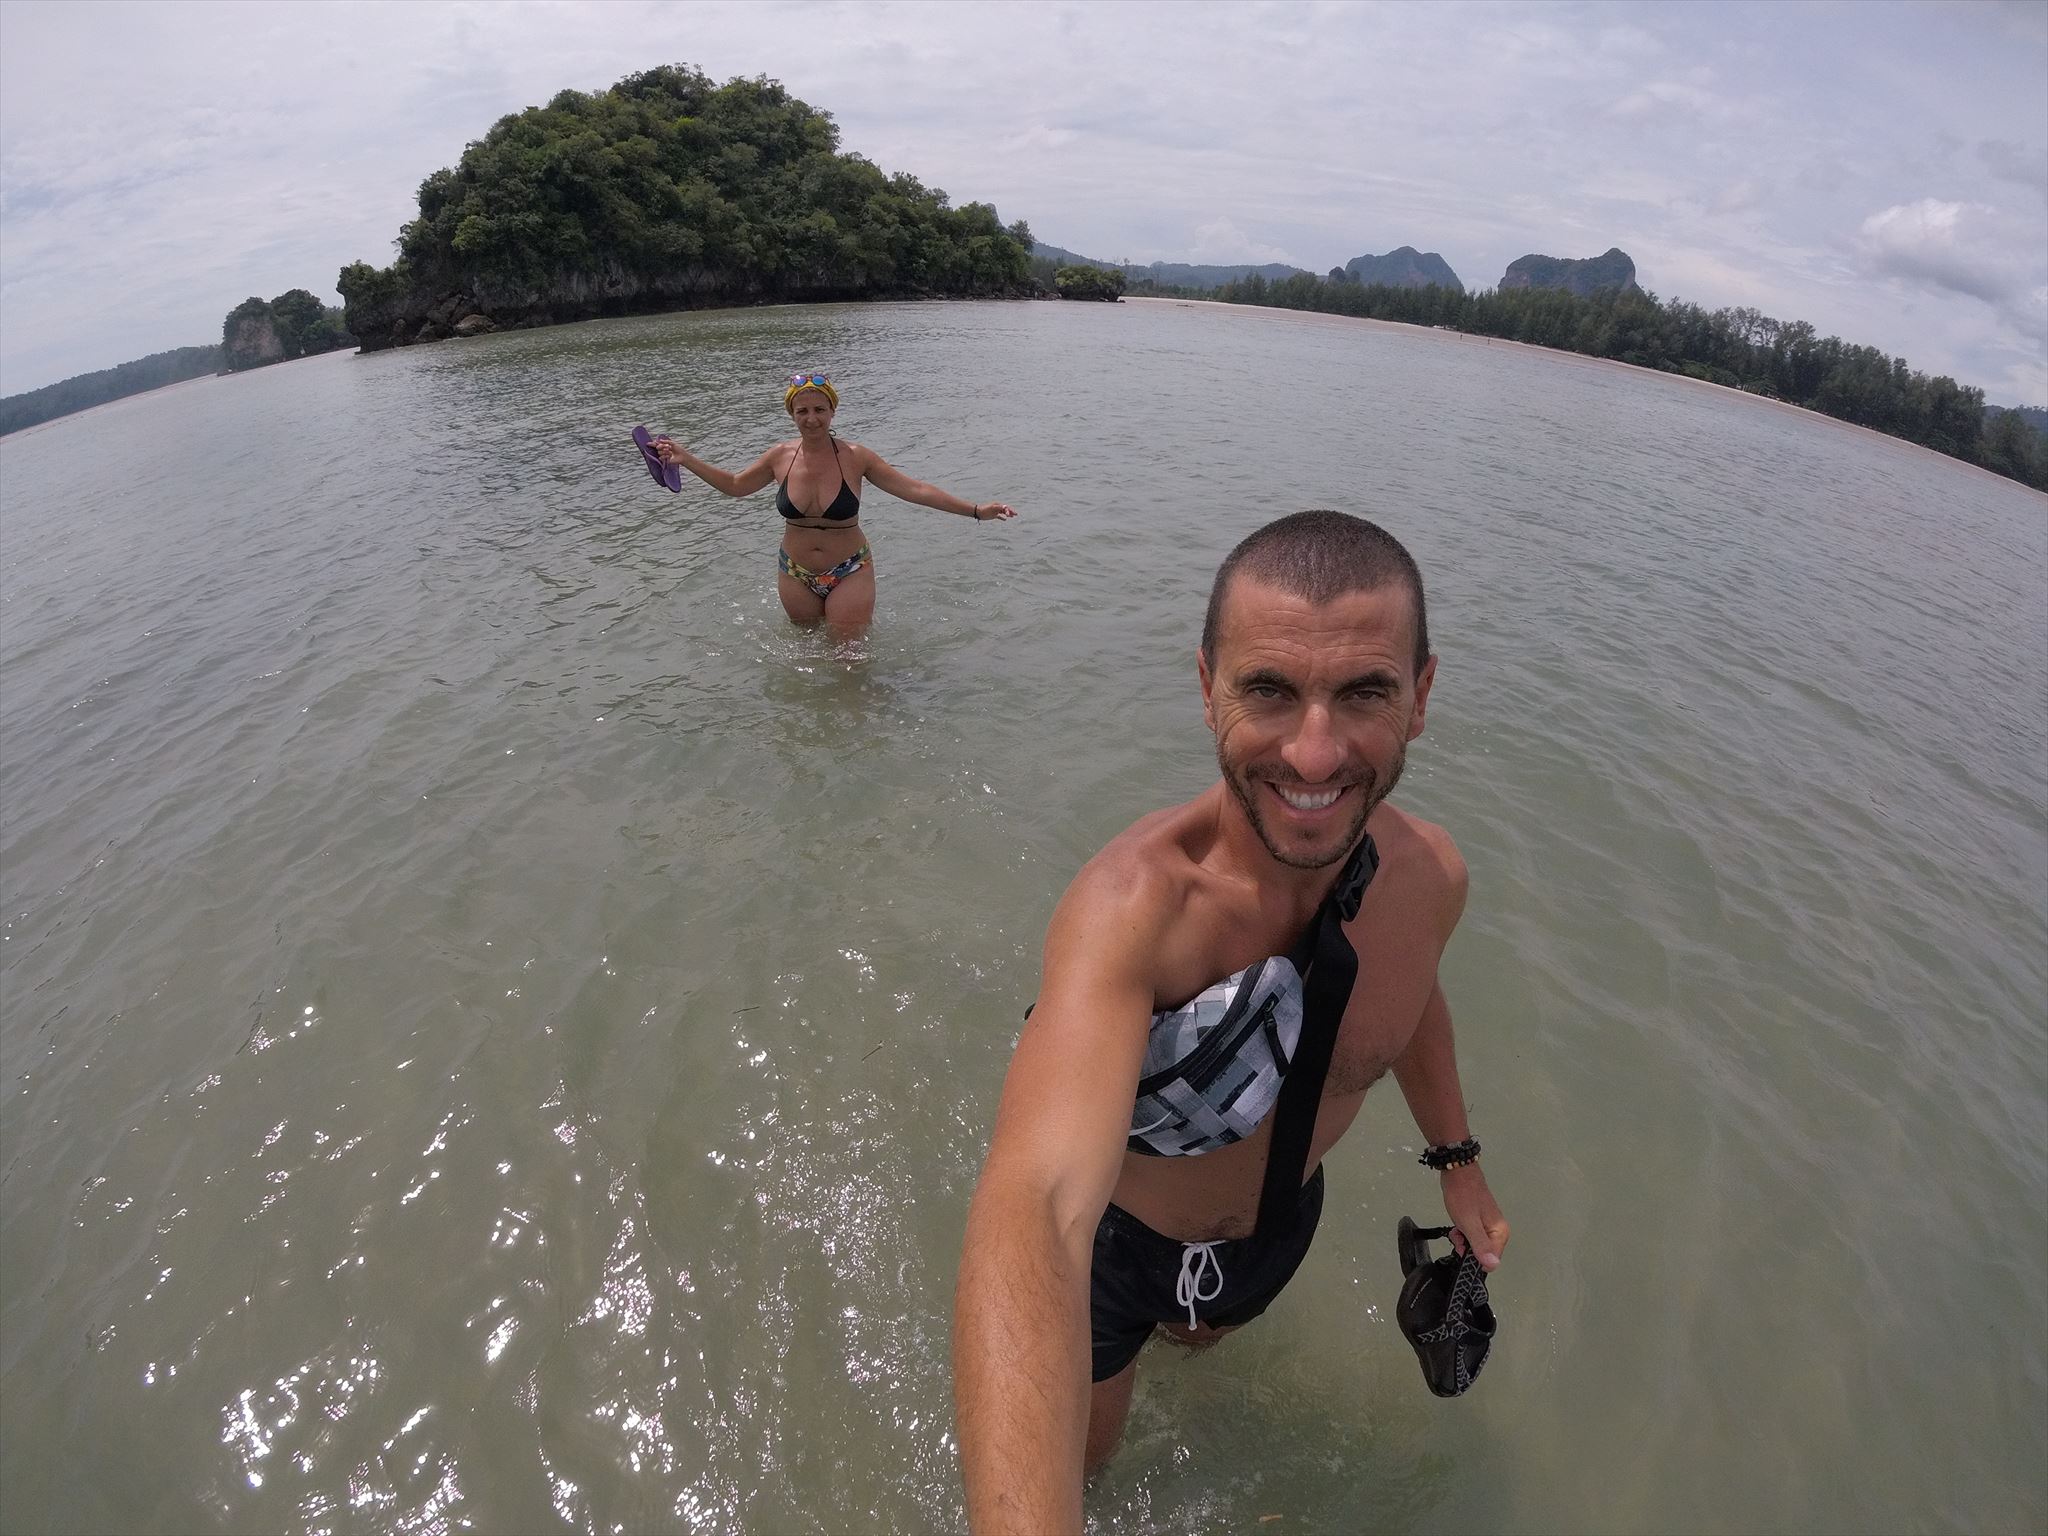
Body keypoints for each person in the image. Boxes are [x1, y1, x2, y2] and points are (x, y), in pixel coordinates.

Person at [951, 510, 1509, 1533]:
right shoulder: (1133, 912)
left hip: (1279, 1229)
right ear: (1205, 683)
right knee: (1093, 1462)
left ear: (1420, 696)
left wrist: (1457, 1161)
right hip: (1121, 1248)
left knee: (1202, 1343)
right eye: (1267, 690)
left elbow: (1409, 998)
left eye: (1363, 693)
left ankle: (1194, 1327)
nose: (1312, 752)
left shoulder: (1428, 878)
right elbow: (1033, 1206)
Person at [650, 372, 1017, 638]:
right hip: (793, 571)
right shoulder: (779, 456)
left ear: (833, 411)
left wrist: (975, 510)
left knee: (848, 661)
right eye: (802, 411)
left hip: (849, 570)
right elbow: (734, 486)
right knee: (805, 654)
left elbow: (916, 489)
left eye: (820, 409)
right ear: (792, 415)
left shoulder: (857, 457)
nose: (811, 419)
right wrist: (687, 459)